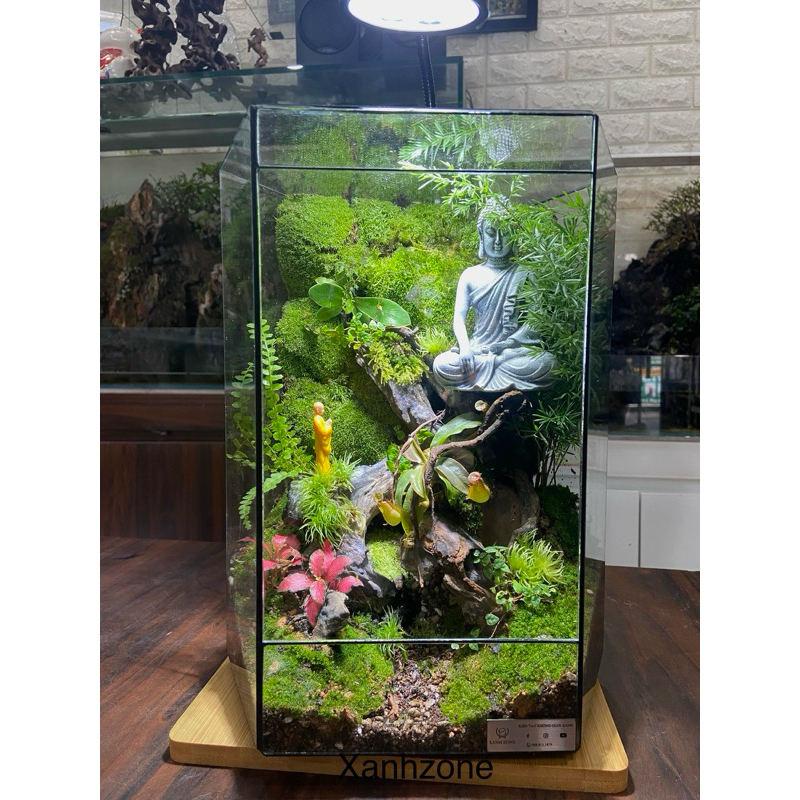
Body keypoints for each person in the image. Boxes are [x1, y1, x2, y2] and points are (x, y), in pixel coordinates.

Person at [432, 201, 556, 393]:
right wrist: (465, 348)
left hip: (511, 352)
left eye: (504, 233)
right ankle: (488, 368)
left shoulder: (526, 272)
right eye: (491, 233)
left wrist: (508, 345)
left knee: (549, 363)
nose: (498, 241)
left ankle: (493, 367)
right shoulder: (470, 275)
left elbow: (535, 321)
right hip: (477, 351)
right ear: (481, 235)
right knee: (441, 364)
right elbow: (458, 319)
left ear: (514, 236)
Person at [312, 401, 332, 473]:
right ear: (317, 410)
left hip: (320, 443)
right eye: (322, 409)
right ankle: (322, 473)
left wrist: (326, 423)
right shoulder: (316, 419)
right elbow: (323, 432)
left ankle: (326, 472)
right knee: (321, 458)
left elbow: (322, 426)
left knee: (324, 458)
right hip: (320, 444)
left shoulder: (319, 418)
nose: (323, 411)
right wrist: (329, 425)